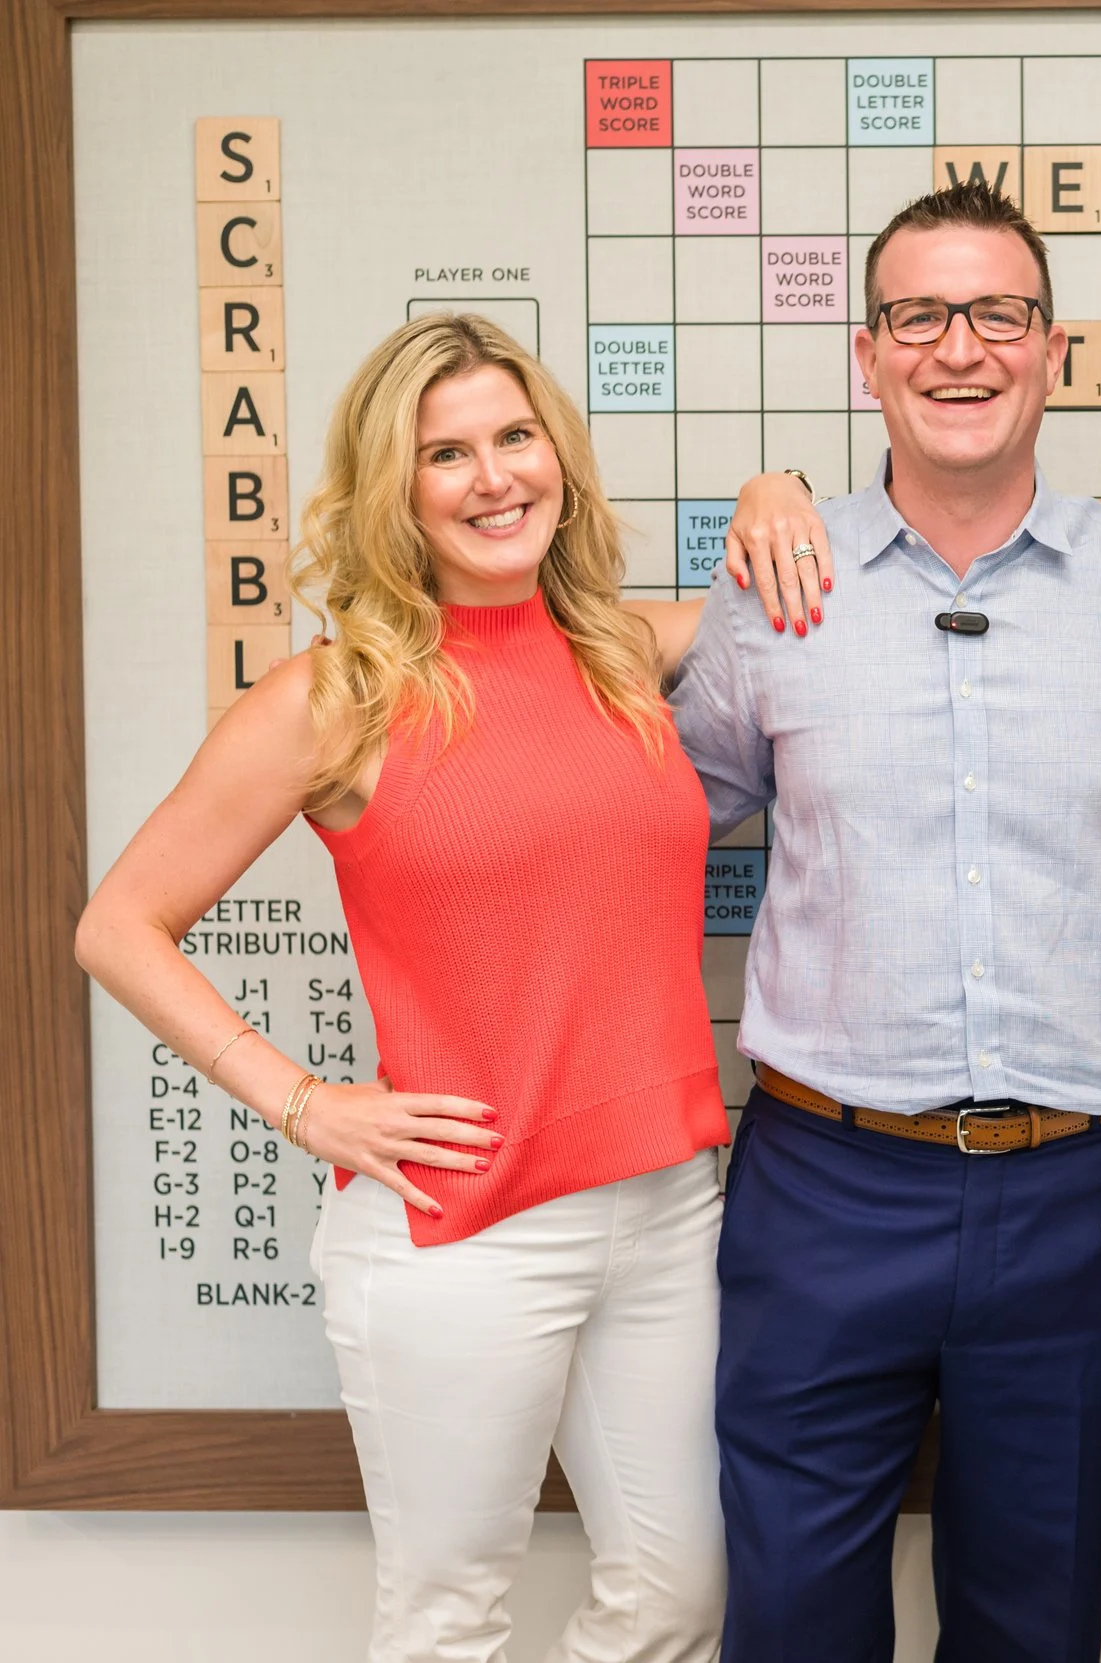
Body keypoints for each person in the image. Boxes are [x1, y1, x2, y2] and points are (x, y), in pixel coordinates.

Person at [77, 313, 732, 1662]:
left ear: (558, 456)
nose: (494, 477)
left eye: (514, 436)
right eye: (448, 453)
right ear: (397, 489)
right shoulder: (338, 699)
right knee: (446, 1623)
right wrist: (306, 1103)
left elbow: (813, 587)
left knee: (678, 1598)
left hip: (668, 1209)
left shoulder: (628, 648)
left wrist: (779, 494)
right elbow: (119, 924)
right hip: (463, 1229)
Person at [676, 178, 1101, 1662]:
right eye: (920, 315)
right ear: (868, 356)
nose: (959, 347)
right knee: (790, 1618)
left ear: (1054, 347)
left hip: (1080, 1201)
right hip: (821, 1185)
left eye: (996, 312)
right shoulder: (773, 589)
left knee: (1033, 1627)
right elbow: (648, 822)